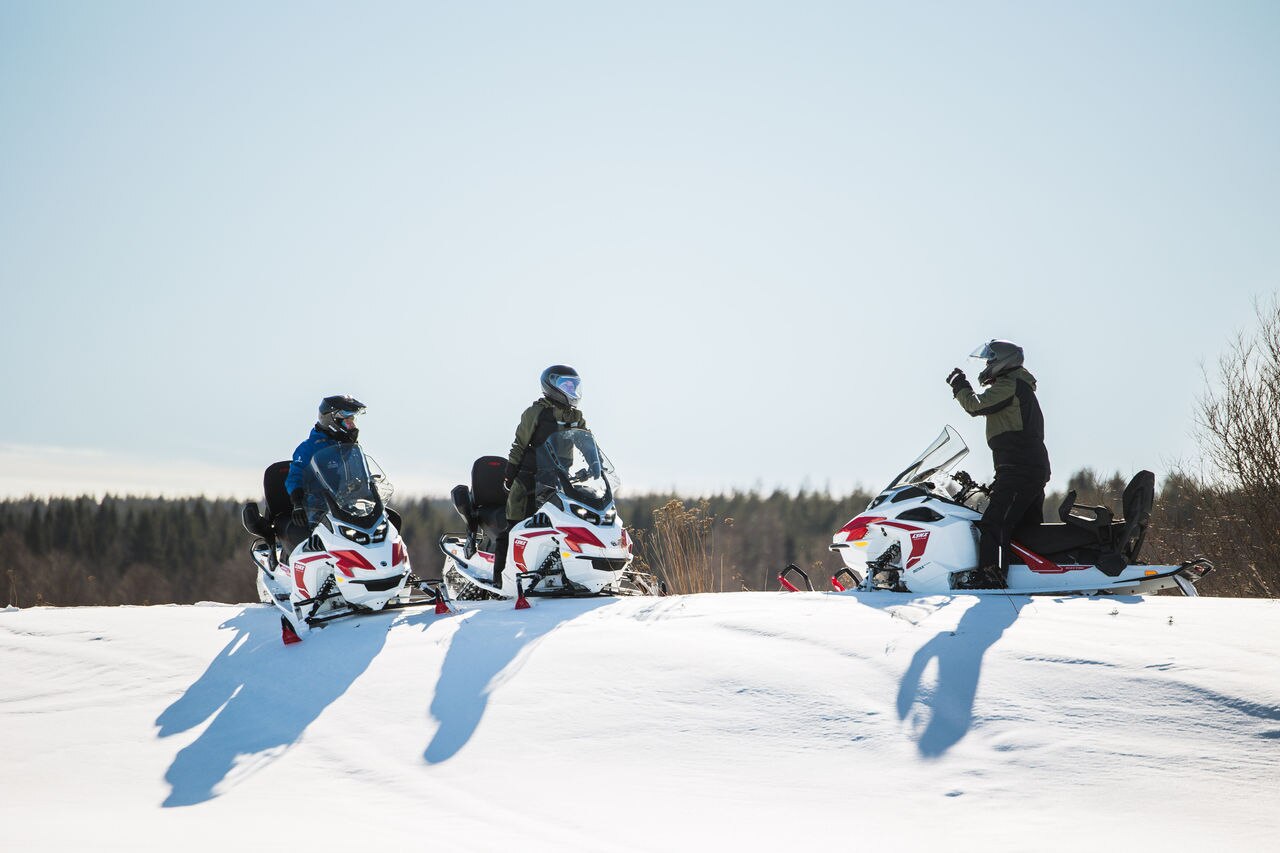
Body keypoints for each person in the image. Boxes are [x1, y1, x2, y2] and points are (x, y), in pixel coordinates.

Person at [946, 340, 1050, 588]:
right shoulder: (1018, 386)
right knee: (1024, 530)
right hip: (1025, 467)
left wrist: (960, 386)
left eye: (991, 360)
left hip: (1019, 469)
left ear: (1004, 361)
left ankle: (991, 577)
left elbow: (975, 405)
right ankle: (1029, 574)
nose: (988, 365)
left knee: (994, 522)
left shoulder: (1010, 385)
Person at [492, 365, 588, 585]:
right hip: (529, 477)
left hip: (559, 479)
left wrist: (595, 463)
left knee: (559, 527)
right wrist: (510, 474)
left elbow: (585, 440)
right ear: (552, 386)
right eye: (566, 385)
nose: (571, 389)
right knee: (516, 526)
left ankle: (563, 575)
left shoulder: (576, 416)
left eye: (574, 385)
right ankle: (499, 578)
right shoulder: (535, 412)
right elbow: (519, 444)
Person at [279, 394, 367, 554]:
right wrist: (297, 502)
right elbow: (294, 476)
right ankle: (324, 572)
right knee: (319, 542)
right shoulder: (309, 448)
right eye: (348, 420)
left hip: (347, 505)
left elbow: (361, 474)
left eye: (352, 420)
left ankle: (391, 568)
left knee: (383, 525)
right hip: (318, 507)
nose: (352, 425)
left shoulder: (350, 448)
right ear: (332, 421)